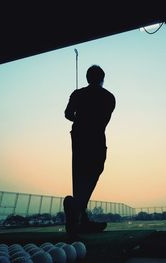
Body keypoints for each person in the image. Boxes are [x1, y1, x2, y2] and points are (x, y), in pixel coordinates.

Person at [64, 65, 116, 236]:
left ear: (87, 78)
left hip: (79, 136)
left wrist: (79, 116)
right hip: (95, 136)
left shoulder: (77, 94)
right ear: (102, 78)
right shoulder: (109, 97)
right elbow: (104, 119)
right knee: (94, 170)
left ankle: (80, 215)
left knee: (79, 175)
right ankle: (78, 210)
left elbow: (68, 114)